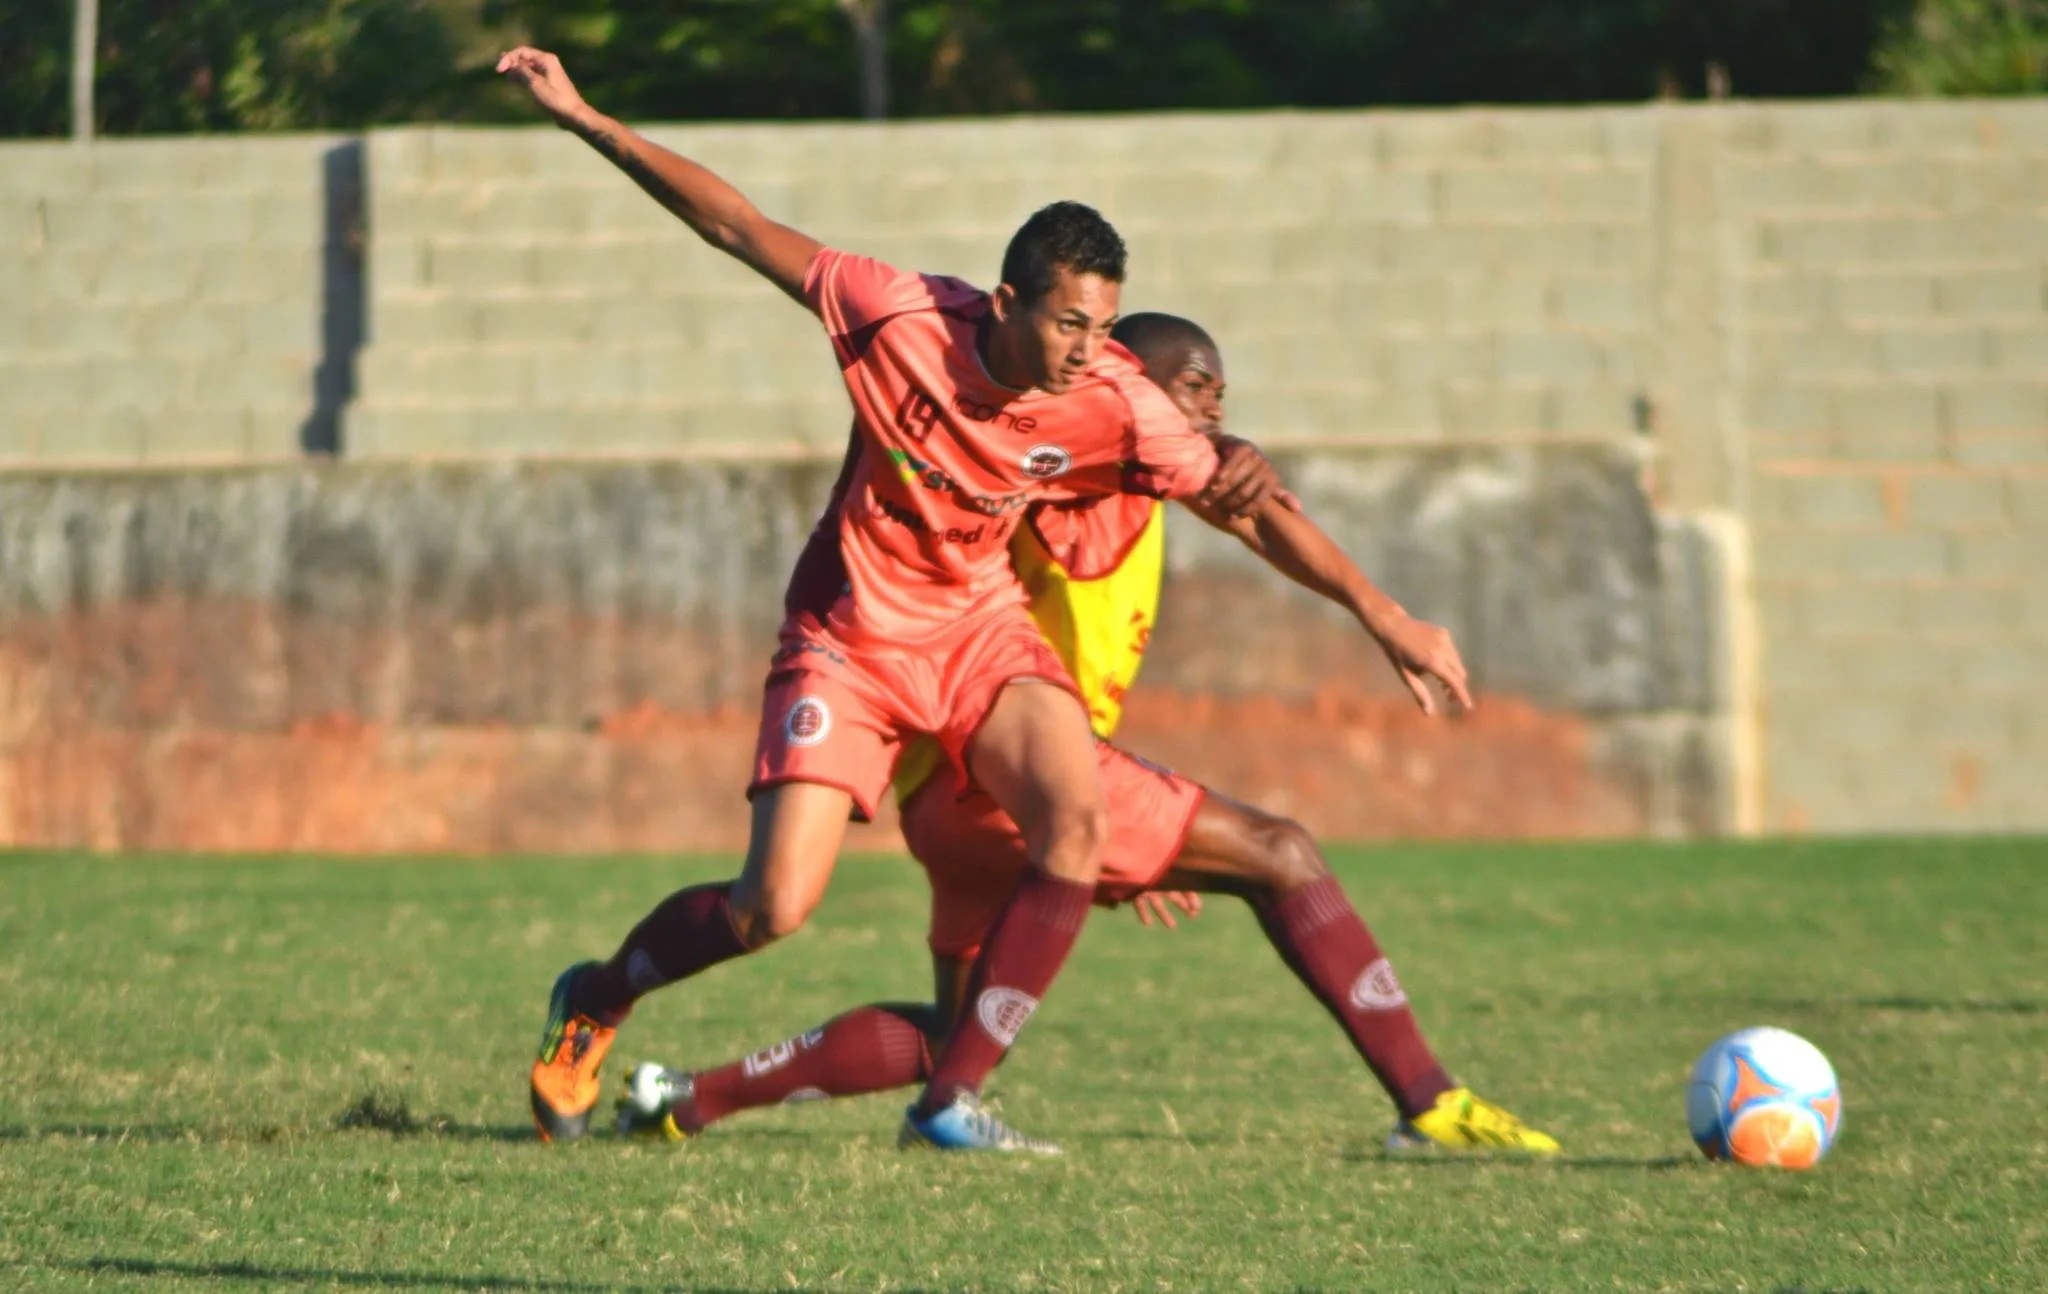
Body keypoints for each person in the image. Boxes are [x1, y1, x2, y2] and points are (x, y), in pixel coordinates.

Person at [498, 48, 1471, 1152]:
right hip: (848, 642)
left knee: (1075, 820)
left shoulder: (1109, 398)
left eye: (1102, 328)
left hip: (976, 638)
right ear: (1006, 302)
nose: (1088, 352)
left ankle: (947, 1102)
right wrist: (584, 118)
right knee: (770, 907)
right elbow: (733, 224)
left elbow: (1248, 509)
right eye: (1067, 324)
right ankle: (595, 995)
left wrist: (1384, 615)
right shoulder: (893, 314)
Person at [615, 314, 1560, 1155]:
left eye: (1220, 393)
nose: (1208, 409)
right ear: (1119, 384)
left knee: (957, 1027)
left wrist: (1090, 823)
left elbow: (1243, 516)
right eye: (1191, 387)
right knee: (1283, 853)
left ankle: (689, 1099)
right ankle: (1429, 1102)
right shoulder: (1067, 474)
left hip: (956, 796)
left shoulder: (1151, 477)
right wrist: (1078, 821)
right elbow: (1071, 506)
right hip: (985, 773)